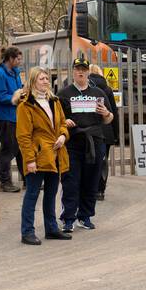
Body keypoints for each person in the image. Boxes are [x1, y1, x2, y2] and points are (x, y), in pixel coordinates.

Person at [57, 56, 115, 232]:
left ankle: (85, 216)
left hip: (95, 142)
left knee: (91, 181)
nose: (81, 72)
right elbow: (57, 119)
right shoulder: (64, 94)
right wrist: (65, 121)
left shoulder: (99, 93)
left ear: (88, 72)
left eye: (84, 69)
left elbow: (109, 119)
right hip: (72, 143)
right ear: (73, 71)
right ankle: (68, 218)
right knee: (71, 181)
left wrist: (106, 113)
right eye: (77, 69)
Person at [14, 67, 70, 245]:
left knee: (51, 193)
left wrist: (63, 135)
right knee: (32, 194)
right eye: (41, 79)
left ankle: (51, 228)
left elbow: (62, 123)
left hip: (54, 154)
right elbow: (23, 136)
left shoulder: (54, 101)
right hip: (37, 157)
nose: (46, 81)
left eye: (47, 78)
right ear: (32, 82)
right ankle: (27, 232)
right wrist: (29, 160)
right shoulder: (25, 106)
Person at [0, 46, 25, 193]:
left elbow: (18, 90)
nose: (19, 61)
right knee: (8, 149)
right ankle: (5, 182)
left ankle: (27, 180)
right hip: (5, 117)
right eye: (18, 58)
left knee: (21, 148)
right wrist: (16, 98)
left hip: (17, 116)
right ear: (10, 59)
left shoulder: (15, 72)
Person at [87, 65, 119, 201]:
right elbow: (113, 112)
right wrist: (115, 133)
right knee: (102, 162)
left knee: (89, 160)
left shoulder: (85, 89)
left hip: (89, 130)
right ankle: (100, 190)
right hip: (105, 130)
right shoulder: (107, 89)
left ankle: (90, 189)